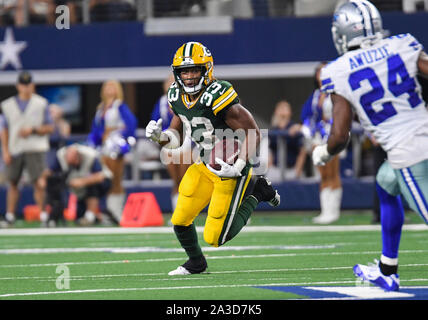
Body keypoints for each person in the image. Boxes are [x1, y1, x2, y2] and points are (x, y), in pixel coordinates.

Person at [312, 0, 428, 291]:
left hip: (411, 153)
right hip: (419, 140)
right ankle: (388, 270)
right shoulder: (402, 44)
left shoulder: (336, 71)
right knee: (385, 181)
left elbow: (339, 137)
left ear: (342, 34)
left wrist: (323, 152)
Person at [145, 41, 280, 275]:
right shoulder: (176, 95)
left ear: (206, 70)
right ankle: (196, 263)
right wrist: (160, 137)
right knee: (180, 219)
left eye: (194, 70)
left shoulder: (218, 93)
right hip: (205, 161)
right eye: (184, 71)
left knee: (215, 237)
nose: (188, 76)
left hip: (231, 165)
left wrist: (238, 165)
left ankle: (258, 192)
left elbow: (253, 133)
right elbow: (177, 136)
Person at [0, 71, 54, 226]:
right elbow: (3, 129)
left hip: (35, 147)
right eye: (23, 85)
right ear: (18, 86)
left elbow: (50, 127)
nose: (25, 88)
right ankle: (10, 215)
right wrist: (5, 150)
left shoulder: (41, 103)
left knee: (39, 182)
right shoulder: (7, 105)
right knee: (13, 182)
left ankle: (43, 214)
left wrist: (33, 130)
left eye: (28, 85)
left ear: (32, 86)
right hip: (15, 147)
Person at [87, 80, 137, 223]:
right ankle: (109, 211)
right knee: (106, 179)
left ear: (117, 90)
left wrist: (117, 133)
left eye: (112, 86)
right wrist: (96, 140)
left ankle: (117, 211)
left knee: (116, 179)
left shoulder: (120, 106)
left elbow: (131, 124)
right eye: (107, 86)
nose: (109, 89)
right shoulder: (100, 108)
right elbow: (95, 130)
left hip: (116, 147)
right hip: (103, 148)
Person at [301, 62, 343, 224]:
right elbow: (307, 114)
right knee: (323, 173)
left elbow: (342, 114)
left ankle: (334, 211)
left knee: (333, 172)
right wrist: (310, 131)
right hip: (318, 136)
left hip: (333, 134)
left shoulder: (337, 92)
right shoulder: (316, 95)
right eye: (319, 73)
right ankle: (326, 210)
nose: (321, 75)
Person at [40, 143, 113, 226]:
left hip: (101, 184)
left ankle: (90, 216)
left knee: (92, 186)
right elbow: (50, 170)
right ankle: (100, 216)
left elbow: (100, 177)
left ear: (78, 156)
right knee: (79, 218)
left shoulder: (90, 155)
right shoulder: (61, 156)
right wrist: (42, 178)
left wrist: (82, 181)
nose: (71, 165)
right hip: (79, 190)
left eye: (73, 162)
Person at [150, 73, 193, 211]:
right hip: (169, 143)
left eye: (174, 82)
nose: (171, 85)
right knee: (176, 180)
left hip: (187, 141)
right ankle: (178, 212)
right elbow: (156, 121)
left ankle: (187, 211)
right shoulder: (162, 103)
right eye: (169, 82)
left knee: (185, 179)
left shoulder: (187, 99)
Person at [268, 99, 306, 180]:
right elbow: (271, 152)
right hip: (276, 169)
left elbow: (302, 151)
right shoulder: (273, 130)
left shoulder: (295, 128)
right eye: (280, 108)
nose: (282, 111)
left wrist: (297, 170)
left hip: (291, 169)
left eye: (285, 108)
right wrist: (269, 168)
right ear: (275, 111)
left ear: (290, 112)